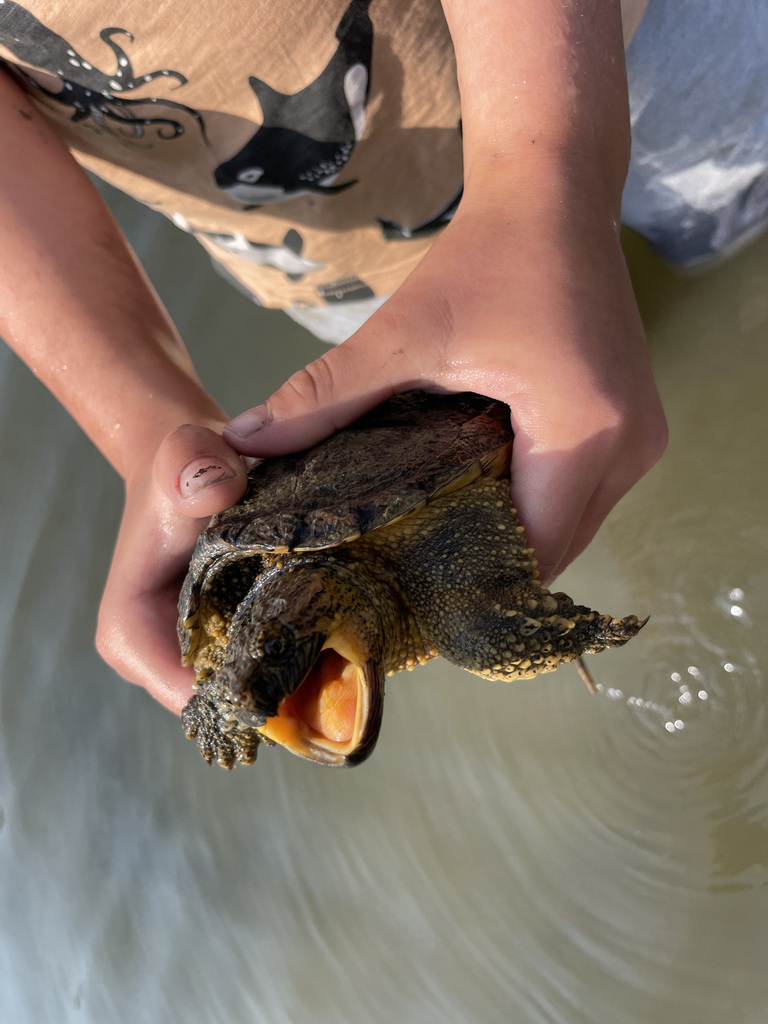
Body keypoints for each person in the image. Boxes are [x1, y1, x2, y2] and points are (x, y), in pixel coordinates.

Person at [0, 0, 671, 716]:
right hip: (344, 269)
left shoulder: (438, 600)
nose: (267, 702)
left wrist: (546, 183)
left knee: (484, 631)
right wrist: (149, 433)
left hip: (623, 55)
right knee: (600, 379)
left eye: (253, 679)